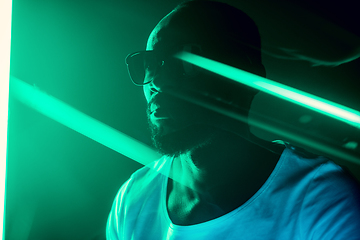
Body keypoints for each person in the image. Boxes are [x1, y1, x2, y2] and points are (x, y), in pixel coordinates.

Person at [106, 1, 360, 239]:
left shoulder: (322, 198)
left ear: (247, 75)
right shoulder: (131, 201)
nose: (158, 81)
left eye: (185, 60)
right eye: (150, 63)